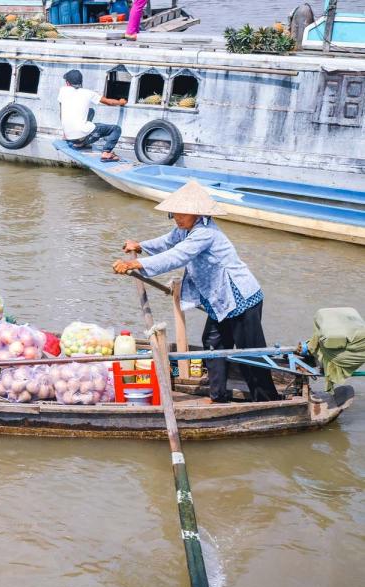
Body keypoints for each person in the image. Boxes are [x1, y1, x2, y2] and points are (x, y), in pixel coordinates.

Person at [111, 180, 280, 403]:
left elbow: (177, 256)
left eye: (182, 214)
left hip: (240, 298)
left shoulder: (205, 233)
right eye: (174, 214)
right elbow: (168, 242)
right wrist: (140, 246)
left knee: (249, 353)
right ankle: (218, 396)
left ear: (197, 214)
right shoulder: (185, 229)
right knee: (213, 343)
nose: (178, 218)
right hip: (220, 301)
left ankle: (267, 402)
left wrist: (137, 264)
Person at [58, 69, 127, 163]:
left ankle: (78, 142)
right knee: (116, 129)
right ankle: (106, 153)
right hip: (81, 135)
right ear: (81, 82)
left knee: (90, 111)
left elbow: (62, 113)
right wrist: (121, 102)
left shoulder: (63, 91)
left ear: (67, 83)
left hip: (69, 136)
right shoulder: (89, 93)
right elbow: (109, 102)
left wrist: (65, 132)